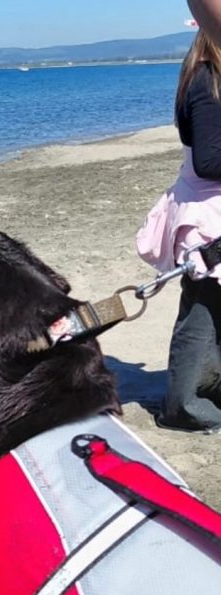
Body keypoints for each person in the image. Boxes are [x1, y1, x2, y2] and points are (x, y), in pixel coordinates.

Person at [136, 30, 221, 433]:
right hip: (208, 214)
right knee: (201, 315)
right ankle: (184, 406)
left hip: (208, 206)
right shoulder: (208, 77)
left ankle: (204, 394)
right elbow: (208, 159)